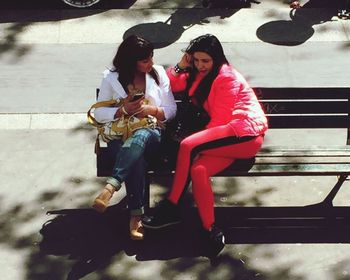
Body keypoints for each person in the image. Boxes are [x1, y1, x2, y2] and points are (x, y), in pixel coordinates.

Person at [142, 34, 268, 257]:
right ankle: (210, 228)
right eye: (196, 60)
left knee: (188, 146)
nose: (200, 65)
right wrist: (182, 66)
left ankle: (172, 206)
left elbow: (220, 122)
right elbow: (172, 83)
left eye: (205, 61)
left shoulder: (226, 77)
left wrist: (198, 141)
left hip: (244, 134)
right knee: (198, 170)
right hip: (226, 141)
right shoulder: (200, 73)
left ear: (216, 59)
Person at [92, 35, 177, 241]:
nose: (151, 63)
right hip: (120, 136)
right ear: (131, 61)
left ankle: (111, 186)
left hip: (152, 135)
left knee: (141, 136)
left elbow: (172, 109)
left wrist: (152, 110)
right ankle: (136, 216)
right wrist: (122, 110)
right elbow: (99, 114)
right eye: (145, 60)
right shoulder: (111, 78)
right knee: (134, 156)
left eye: (151, 57)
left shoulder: (157, 74)